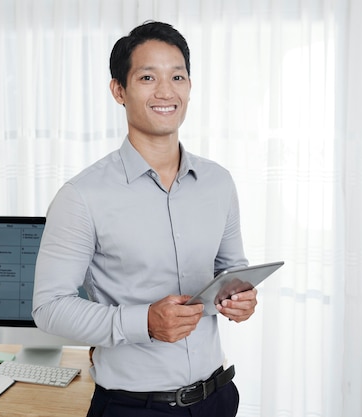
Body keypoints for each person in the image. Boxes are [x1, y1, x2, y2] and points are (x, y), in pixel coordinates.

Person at [32, 21, 258, 417]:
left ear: (189, 86)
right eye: (148, 77)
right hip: (134, 408)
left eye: (178, 76)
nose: (166, 91)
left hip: (218, 398)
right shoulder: (82, 196)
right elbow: (49, 307)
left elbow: (232, 268)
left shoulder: (218, 183)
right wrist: (145, 323)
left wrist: (240, 297)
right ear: (119, 90)